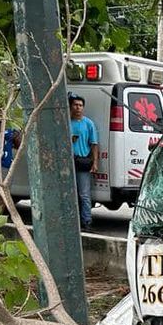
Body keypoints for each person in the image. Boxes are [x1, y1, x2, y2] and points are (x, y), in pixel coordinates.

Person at [69, 93, 99, 229]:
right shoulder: (65, 122)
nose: (78, 108)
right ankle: (71, 221)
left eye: (80, 105)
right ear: (71, 106)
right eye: (75, 105)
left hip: (82, 162)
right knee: (69, 194)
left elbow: (94, 144)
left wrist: (95, 163)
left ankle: (87, 221)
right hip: (67, 163)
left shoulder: (88, 123)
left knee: (84, 195)